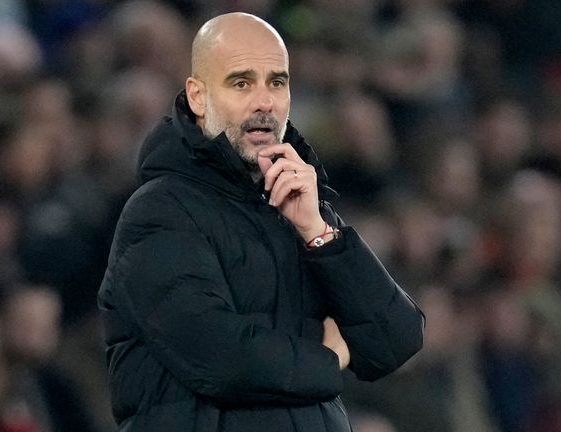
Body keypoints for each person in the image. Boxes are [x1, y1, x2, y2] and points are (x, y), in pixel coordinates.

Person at [97, 12, 425, 432]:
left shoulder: (300, 205)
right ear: (198, 97)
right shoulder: (160, 211)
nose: (264, 102)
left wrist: (318, 234)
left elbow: (396, 340)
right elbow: (222, 360)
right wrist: (331, 356)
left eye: (277, 82)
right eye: (241, 82)